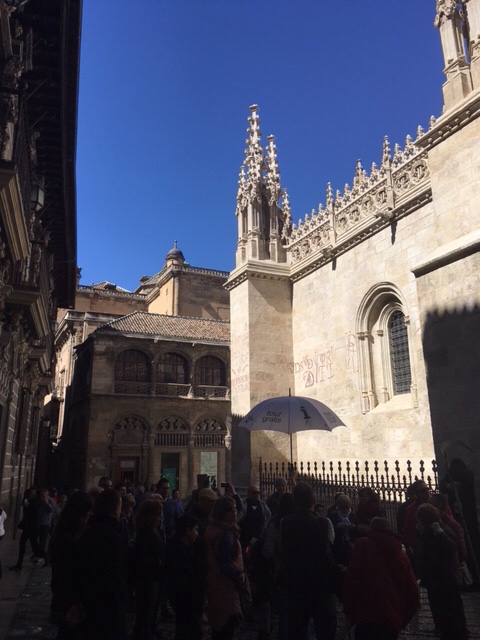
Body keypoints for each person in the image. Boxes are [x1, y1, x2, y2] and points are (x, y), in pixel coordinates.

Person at [342, 517, 419, 640]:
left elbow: (352, 580)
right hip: (391, 619)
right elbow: (413, 592)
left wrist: (349, 611)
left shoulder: (363, 545)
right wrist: (402, 619)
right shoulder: (401, 554)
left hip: (365, 616)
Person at [280, 482, 337, 640]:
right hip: (320, 585)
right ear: (313, 500)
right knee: (325, 631)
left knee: (297, 631)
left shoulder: (286, 523)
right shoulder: (323, 523)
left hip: (296, 584)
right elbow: (328, 550)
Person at [75, 489, 128, 640]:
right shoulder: (114, 537)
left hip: (88, 603)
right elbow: (119, 575)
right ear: (116, 508)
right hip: (109, 605)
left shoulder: (86, 533)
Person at [416, 502, 469, 640]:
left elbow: (450, 548)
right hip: (436, 578)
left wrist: (439, 533)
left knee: (451, 609)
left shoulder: (442, 530)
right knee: (442, 609)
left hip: (445, 577)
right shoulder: (428, 531)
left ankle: (456, 634)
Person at [48, 492, 94, 639]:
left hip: (69, 600)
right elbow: (68, 574)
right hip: (69, 602)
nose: (89, 516)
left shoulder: (67, 534)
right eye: (87, 513)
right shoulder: (65, 539)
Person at [205, 495, 246, 640]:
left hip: (215, 583)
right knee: (226, 626)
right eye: (230, 509)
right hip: (225, 586)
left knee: (219, 627)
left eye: (234, 508)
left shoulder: (213, 528)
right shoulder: (226, 535)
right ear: (222, 512)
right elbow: (225, 565)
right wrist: (239, 574)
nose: (234, 512)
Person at [131, 499, 165, 640]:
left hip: (153, 577)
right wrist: (158, 562)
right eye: (158, 514)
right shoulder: (146, 533)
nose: (160, 517)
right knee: (145, 612)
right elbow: (142, 558)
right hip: (147, 579)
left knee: (149, 611)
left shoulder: (152, 530)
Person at [166, 514, 204, 640]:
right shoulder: (180, 550)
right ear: (188, 530)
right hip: (187, 599)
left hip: (184, 599)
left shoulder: (180, 545)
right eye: (195, 530)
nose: (197, 533)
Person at [10, 487, 40, 570]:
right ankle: (19, 564)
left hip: (31, 528)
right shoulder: (31, 502)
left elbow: (33, 515)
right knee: (24, 544)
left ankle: (46, 557)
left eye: (27, 495)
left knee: (34, 545)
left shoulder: (34, 503)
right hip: (28, 528)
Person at [239, 485, 271, 553]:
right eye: (254, 493)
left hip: (259, 537)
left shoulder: (262, 504)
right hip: (245, 537)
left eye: (258, 493)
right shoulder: (244, 504)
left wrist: (265, 526)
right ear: (249, 494)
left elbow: (268, 514)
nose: (256, 495)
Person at [329, 494, 357, 565]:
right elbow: (329, 529)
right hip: (338, 544)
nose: (344, 510)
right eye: (342, 507)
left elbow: (357, 529)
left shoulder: (353, 516)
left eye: (346, 507)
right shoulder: (333, 516)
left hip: (351, 543)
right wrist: (337, 526)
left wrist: (354, 527)